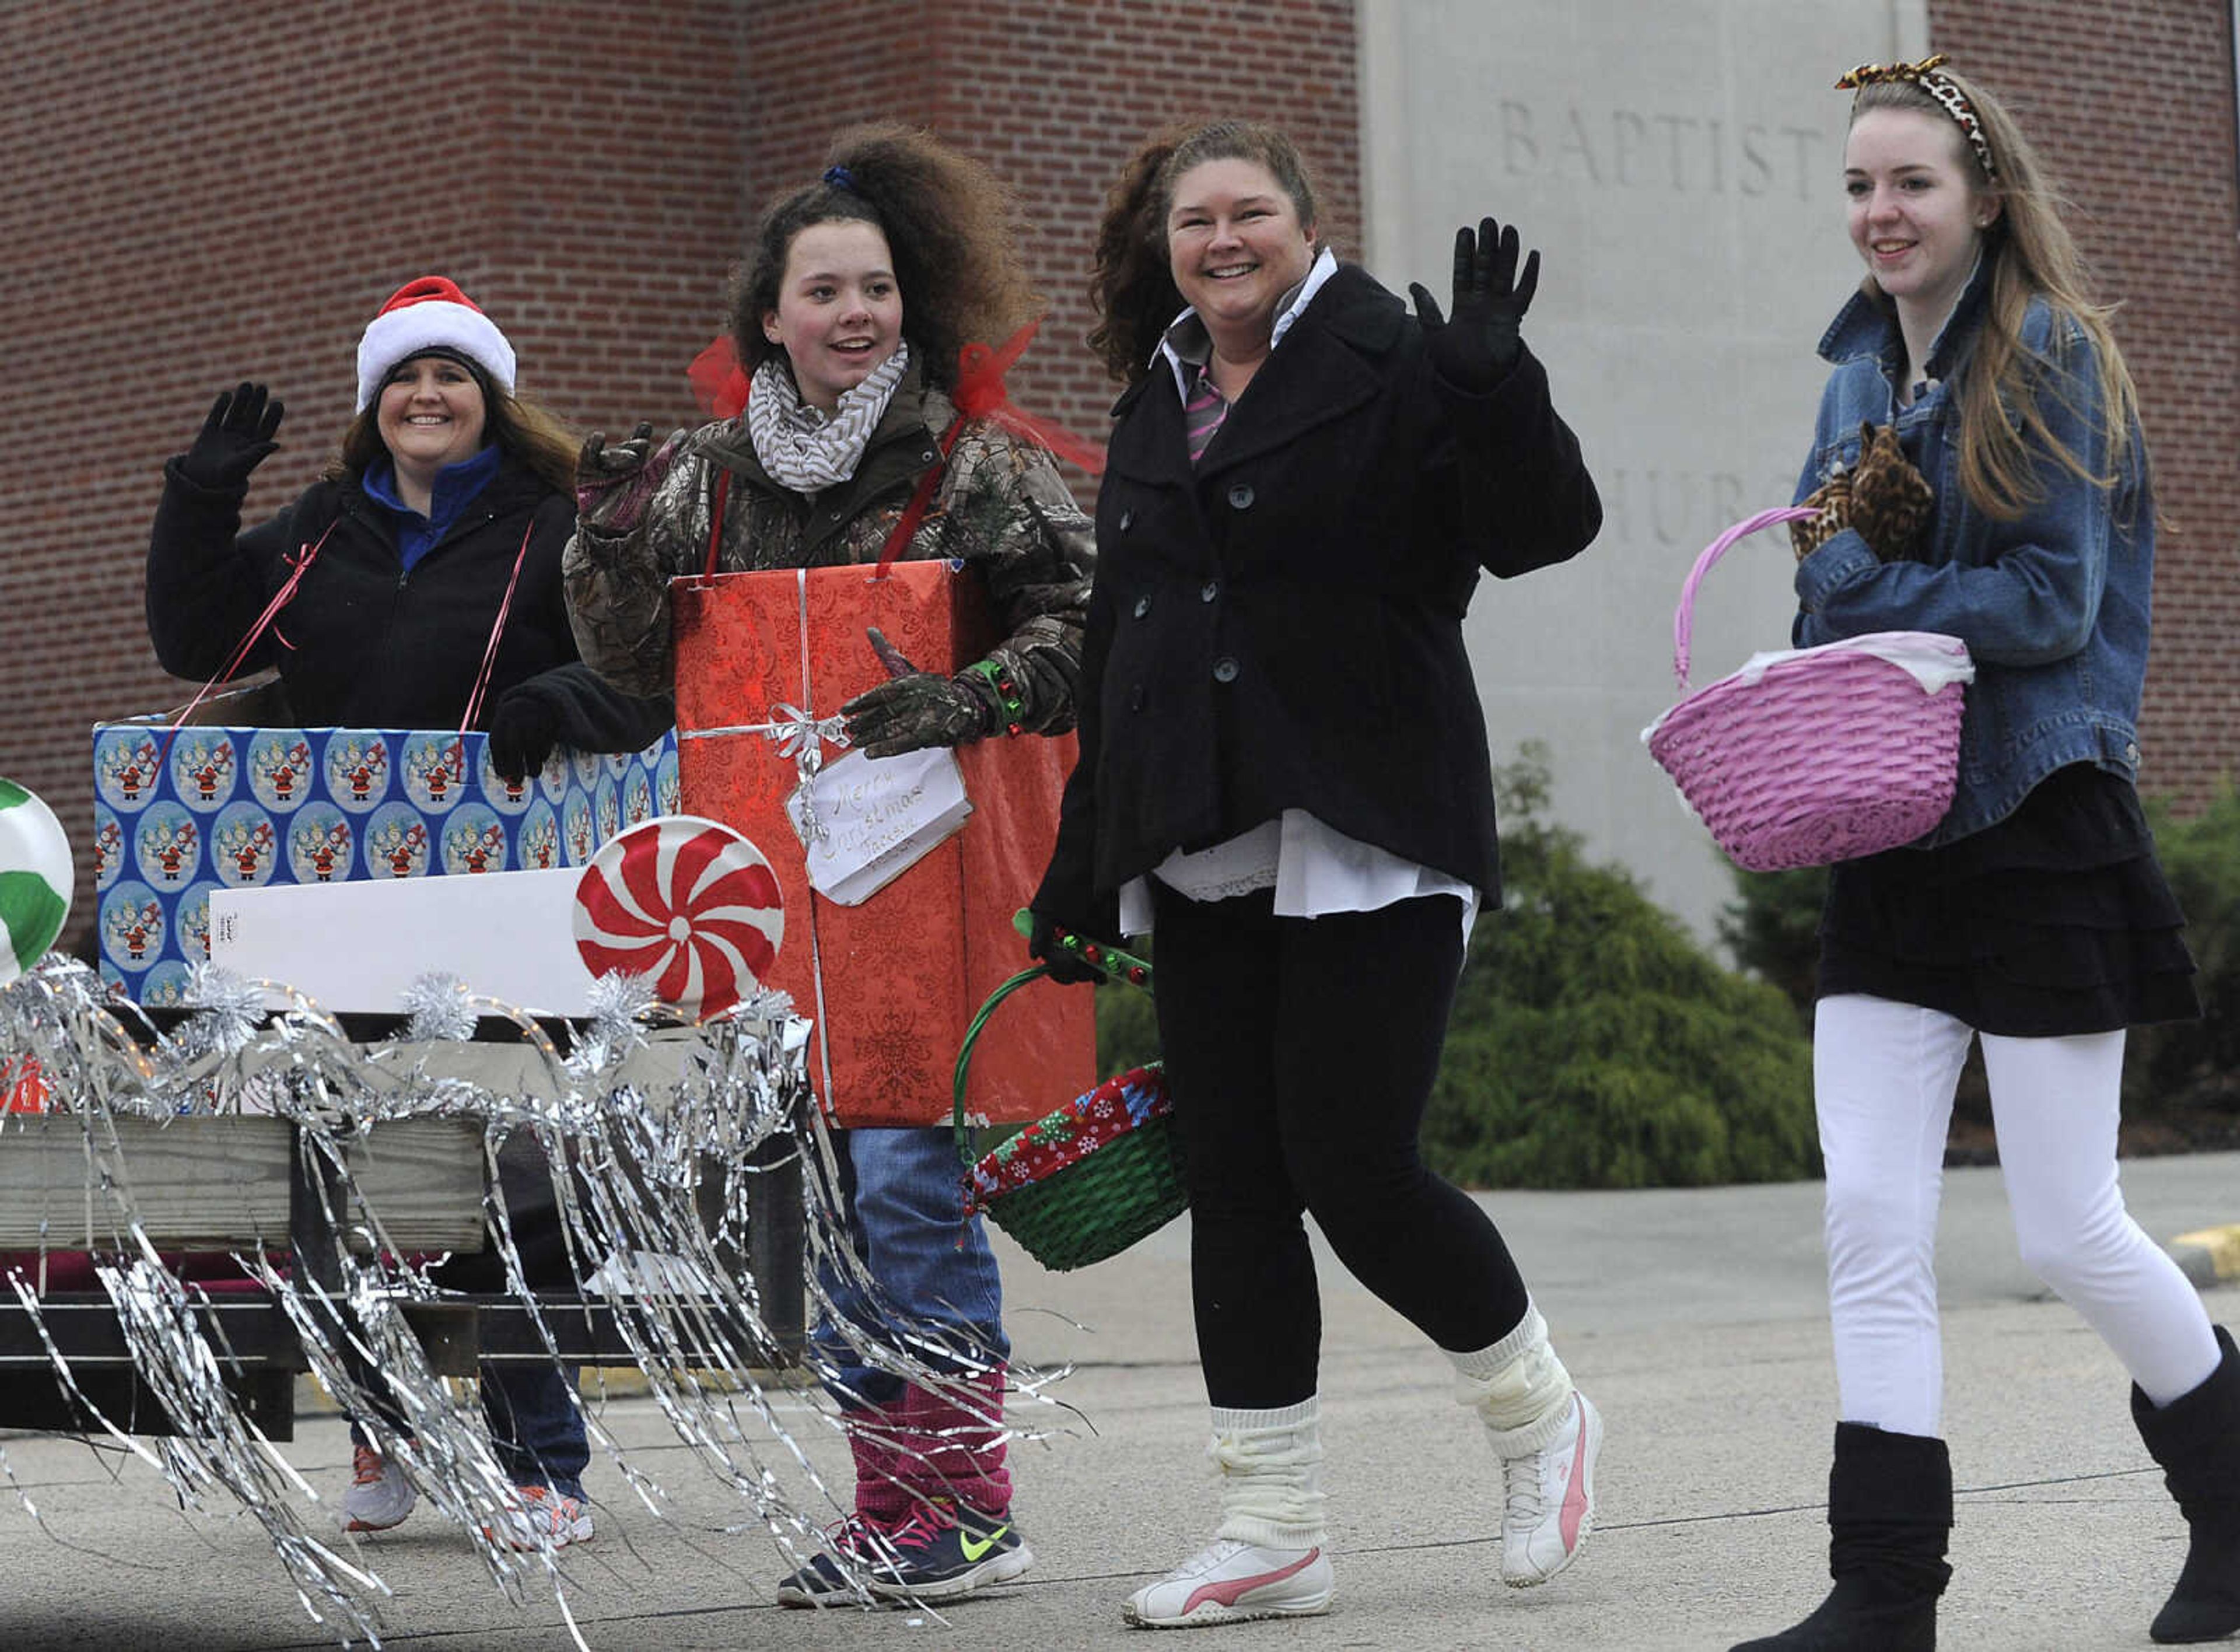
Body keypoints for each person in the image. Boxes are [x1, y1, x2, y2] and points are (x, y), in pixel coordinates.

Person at [1027, 118, 1605, 1629]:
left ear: (1304, 219)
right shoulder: (1156, 391)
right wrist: (1089, 852)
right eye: (1194, 222)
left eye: (1250, 212)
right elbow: (1127, 640)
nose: (1222, 240)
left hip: (1367, 813)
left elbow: (1543, 531)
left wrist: (1493, 388)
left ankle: (1542, 1419)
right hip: (1204, 825)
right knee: (1237, 1186)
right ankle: (1271, 1527)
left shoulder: (1393, 351)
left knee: (1354, 1167)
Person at [1729, 57, 2235, 1652]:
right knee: (1869, 1220)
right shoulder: (1849, 377)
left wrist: (1874, 595)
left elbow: (2049, 609)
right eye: (1861, 188)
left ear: (1987, 198)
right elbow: (1814, 594)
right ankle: (1884, 1598)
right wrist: (1859, 595)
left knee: (2064, 1224)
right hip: (1889, 832)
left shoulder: (2057, 359)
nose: (1881, 214)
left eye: (1913, 186)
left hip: (2035, 820)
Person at [559, 125, 1093, 1606]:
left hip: (930, 898)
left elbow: (1099, 623)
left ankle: (968, 1510)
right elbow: (620, 665)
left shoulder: (979, 467)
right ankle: (894, 1510)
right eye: (822, 292)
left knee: (911, 1185)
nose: (853, 315)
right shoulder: (703, 479)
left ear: (912, 303)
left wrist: (976, 695)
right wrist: (601, 544)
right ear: (770, 320)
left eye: (875, 289)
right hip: (764, 907)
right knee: (832, 1208)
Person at [145, 275, 677, 1550]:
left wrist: (555, 703)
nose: (425, 397)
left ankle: (542, 1461)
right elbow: (192, 640)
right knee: (349, 1176)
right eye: (404, 378)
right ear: (375, 403)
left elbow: (641, 681)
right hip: (337, 905)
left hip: (502, 904)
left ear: (488, 397)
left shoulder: (554, 525)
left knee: (506, 1178)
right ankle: (384, 1425)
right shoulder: (327, 531)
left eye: (449, 377)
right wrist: (201, 497)